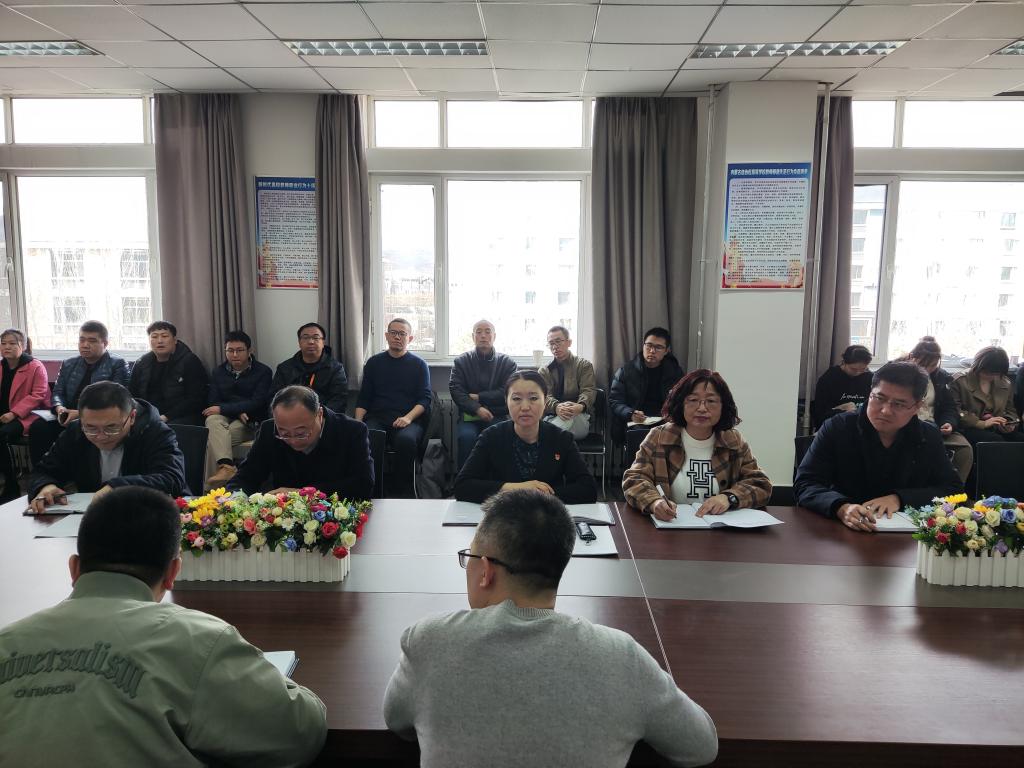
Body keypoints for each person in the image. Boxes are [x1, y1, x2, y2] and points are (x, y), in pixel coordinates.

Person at [383, 489, 718, 768]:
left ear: (486, 571)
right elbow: (701, 745)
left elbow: (397, 720)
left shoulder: (429, 641)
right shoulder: (621, 657)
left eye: (468, 556)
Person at [0, 486, 327, 766]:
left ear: (74, 568)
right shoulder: (198, 640)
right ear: (173, 572)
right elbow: (302, 730)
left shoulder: (6, 641)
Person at [794, 361, 963, 532]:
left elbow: (952, 489)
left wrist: (900, 499)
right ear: (869, 394)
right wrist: (841, 507)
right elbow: (806, 483)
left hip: (904, 537)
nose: (885, 411)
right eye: (879, 398)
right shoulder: (838, 427)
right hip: (842, 531)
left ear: (917, 407)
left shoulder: (928, 435)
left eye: (899, 404)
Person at [623, 369, 771, 520]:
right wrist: (654, 502)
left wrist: (729, 498)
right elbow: (634, 479)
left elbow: (760, 484)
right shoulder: (659, 437)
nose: (702, 408)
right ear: (681, 403)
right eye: (693, 400)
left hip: (720, 529)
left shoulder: (733, 440)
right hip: (673, 526)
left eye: (711, 401)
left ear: (723, 406)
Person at [27, 381, 188, 513]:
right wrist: (45, 486)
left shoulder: (155, 431)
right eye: (91, 428)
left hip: (151, 516)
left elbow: (172, 478)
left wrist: (118, 487)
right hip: (94, 519)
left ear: (132, 417)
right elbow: (43, 471)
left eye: (112, 427)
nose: (101, 436)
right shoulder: (75, 432)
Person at [454, 371, 597, 504]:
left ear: (545, 402)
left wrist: (539, 495)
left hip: (548, 514)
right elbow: (462, 486)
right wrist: (517, 489)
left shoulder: (562, 438)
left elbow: (588, 489)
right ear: (506, 401)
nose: (525, 407)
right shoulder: (491, 437)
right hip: (503, 514)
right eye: (516, 398)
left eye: (533, 398)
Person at [228, 385, 373, 500]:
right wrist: (236, 499)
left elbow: (363, 484)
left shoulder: (351, 431)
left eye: (301, 433)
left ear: (319, 414)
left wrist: (302, 493)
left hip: (337, 517)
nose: (293, 441)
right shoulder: (268, 430)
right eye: (284, 434)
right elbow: (246, 476)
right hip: (286, 520)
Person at [28, 320, 129, 464]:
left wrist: (79, 414)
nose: (85, 345)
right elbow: (58, 392)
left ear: (105, 343)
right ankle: (43, 471)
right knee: (39, 428)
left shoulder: (117, 364)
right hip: (66, 414)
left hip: (97, 416)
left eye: (92, 341)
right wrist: (60, 409)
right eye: (82, 340)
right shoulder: (69, 363)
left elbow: (117, 399)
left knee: (82, 430)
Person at [355, 318, 431, 496]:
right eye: (394, 333)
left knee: (406, 441)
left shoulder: (419, 365)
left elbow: (425, 399)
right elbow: (364, 397)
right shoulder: (374, 363)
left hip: (408, 419)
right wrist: (358, 423)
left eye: (402, 334)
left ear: (410, 338)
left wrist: (408, 418)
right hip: (377, 417)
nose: (397, 337)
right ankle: (374, 491)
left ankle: (402, 492)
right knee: (369, 437)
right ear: (386, 336)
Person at [203, 330, 273, 488]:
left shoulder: (263, 372)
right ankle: (227, 467)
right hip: (227, 418)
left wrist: (229, 408)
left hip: (250, 421)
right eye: (230, 350)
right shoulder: (219, 372)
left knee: (212, 442)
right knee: (212, 419)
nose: (234, 355)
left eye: (239, 350)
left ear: (249, 351)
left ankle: (210, 492)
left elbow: (257, 402)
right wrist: (237, 410)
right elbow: (213, 402)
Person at [449, 319, 518, 470]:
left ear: (494, 336)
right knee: (466, 438)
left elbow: (508, 391)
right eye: (479, 332)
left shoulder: (507, 363)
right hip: (469, 416)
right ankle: (464, 481)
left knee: (498, 437)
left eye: (487, 332)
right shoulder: (461, 361)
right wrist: (477, 408)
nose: (483, 336)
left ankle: (498, 482)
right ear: (473, 337)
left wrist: (480, 397)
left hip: (497, 415)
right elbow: (456, 390)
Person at [903, 336, 973, 482]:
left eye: (933, 365)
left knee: (964, 449)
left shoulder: (940, 377)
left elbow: (949, 406)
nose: (927, 369)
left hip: (935, 426)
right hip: (906, 426)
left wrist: (949, 423)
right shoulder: (896, 375)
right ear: (911, 357)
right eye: (923, 365)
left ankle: (954, 490)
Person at [608, 326, 685, 444]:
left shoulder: (675, 372)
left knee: (675, 432)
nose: (652, 351)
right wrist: (630, 413)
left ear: (666, 351)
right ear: (643, 346)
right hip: (636, 420)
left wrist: (672, 414)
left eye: (658, 347)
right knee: (638, 433)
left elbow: (683, 399)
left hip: (665, 419)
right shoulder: (626, 371)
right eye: (649, 345)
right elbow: (615, 401)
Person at [0, 329, 50, 502]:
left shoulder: (35, 366)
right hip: (4, 414)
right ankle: (8, 479)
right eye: (3, 343)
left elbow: (38, 395)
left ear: (23, 345)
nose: (6, 347)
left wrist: (14, 413)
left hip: (29, 414)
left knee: (2, 434)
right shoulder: (1, 366)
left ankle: (11, 484)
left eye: (12, 343)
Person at [128, 321, 209, 426]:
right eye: (154, 337)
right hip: (149, 414)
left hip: (182, 416)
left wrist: (167, 416)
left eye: (164, 336)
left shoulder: (189, 361)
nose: (160, 341)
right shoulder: (141, 363)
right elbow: (132, 395)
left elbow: (196, 398)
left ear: (175, 340)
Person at [949, 346, 1024, 447]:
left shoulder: (1004, 383)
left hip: (996, 427)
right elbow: (954, 410)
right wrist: (981, 423)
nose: (991, 376)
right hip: (969, 427)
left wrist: (1009, 423)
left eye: (996, 373)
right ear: (978, 366)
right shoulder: (960, 381)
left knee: (1019, 439)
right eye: (986, 372)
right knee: (994, 441)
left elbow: (1010, 409)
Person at [270, 322, 349, 415]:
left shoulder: (336, 369)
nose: (311, 342)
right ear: (299, 342)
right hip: (290, 417)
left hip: (322, 417)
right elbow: (274, 398)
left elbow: (339, 400)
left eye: (316, 338)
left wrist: (318, 416)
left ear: (323, 343)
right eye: (306, 337)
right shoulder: (284, 368)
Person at [539, 325, 596, 440]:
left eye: (558, 341)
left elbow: (588, 390)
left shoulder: (583, 365)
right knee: (559, 432)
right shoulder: (544, 371)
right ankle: (550, 437)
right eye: (551, 343)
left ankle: (546, 436)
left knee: (548, 433)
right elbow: (543, 396)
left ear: (569, 342)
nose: (555, 347)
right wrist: (556, 407)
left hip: (578, 415)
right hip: (552, 416)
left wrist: (580, 406)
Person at [811, 344, 873, 429]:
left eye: (863, 369)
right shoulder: (829, 378)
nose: (858, 373)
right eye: (853, 369)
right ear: (844, 362)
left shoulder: (870, 378)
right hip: (835, 425)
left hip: (862, 425)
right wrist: (841, 409)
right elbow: (819, 414)